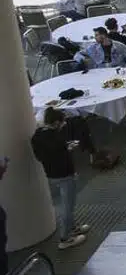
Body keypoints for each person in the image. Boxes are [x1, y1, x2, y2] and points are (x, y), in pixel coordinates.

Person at [31, 107, 90, 250]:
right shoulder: (55, 137)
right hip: (64, 174)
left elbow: (42, 155)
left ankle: (73, 227)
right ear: (56, 122)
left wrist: (64, 147)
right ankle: (65, 238)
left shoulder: (37, 136)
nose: (64, 124)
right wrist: (67, 149)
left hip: (51, 173)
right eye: (62, 122)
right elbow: (60, 152)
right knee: (67, 206)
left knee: (66, 204)